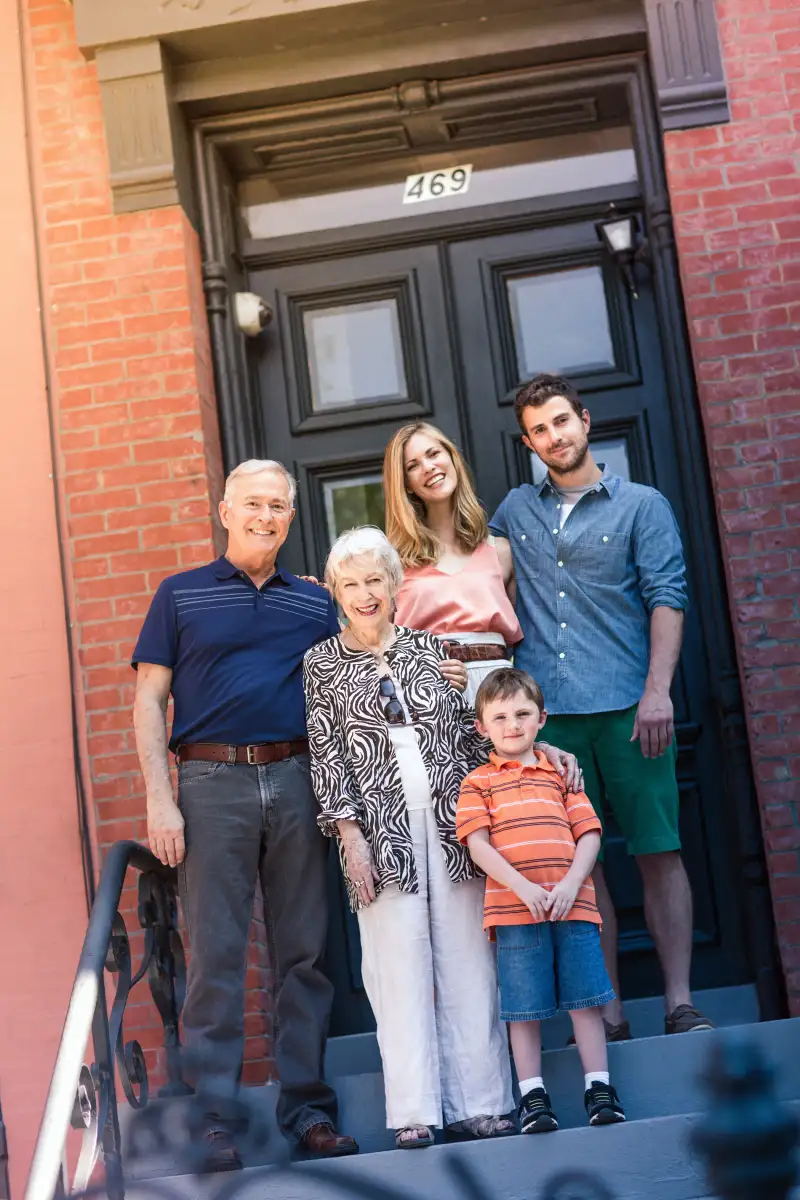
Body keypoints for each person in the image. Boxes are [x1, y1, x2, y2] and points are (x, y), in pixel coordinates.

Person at [132, 459, 359, 1171]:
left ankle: (310, 1113)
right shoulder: (180, 595)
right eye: (254, 504)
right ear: (224, 510)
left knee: (305, 957)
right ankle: (214, 1122)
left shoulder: (315, 603)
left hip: (298, 778)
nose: (266, 516)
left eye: (279, 507)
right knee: (217, 961)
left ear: (292, 518)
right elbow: (147, 702)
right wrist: (159, 797)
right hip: (210, 783)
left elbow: (363, 669)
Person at [489, 374, 713, 1039]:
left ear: (584, 421)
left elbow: (667, 598)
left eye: (561, 421)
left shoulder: (641, 505)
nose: (553, 437)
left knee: (657, 850)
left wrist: (657, 692)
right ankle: (607, 1013)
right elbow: (478, 589)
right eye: (538, 429)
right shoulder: (512, 513)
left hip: (629, 708)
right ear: (526, 441)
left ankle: (679, 1002)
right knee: (578, 867)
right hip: (548, 723)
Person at [303, 526, 516, 1150]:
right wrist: (349, 836)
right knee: (395, 968)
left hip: (453, 827)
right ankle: (414, 1110)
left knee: (469, 963)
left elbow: (473, 740)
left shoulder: (432, 650)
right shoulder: (321, 663)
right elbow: (327, 755)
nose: (365, 594)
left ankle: (482, 1102)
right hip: (378, 831)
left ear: (396, 585)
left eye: (376, 580)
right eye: (351, 584)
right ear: (337, 592)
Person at [457, 667, 626, 1132]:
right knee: (523, 1006)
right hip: (515, 911)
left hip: (574, 905)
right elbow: (479, 846)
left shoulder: (560, 774)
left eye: (523, 714)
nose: (512, 725)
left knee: (585, 1000)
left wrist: (573, 882)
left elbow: (589, 833)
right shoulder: (477, 784)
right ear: (482, 727)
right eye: (501, 717)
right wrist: (523, 887)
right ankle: (533, 1096)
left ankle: (599, 1087)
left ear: (542, 718)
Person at [385, 422, 522, 707]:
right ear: (406, 485)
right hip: (425, 691)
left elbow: (525, 646)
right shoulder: (392, 562)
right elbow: (377, 643)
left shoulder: (500, 552)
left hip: (499, 691)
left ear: (451, 458)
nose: (428, 467)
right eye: (412, 465)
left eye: (434, 453)